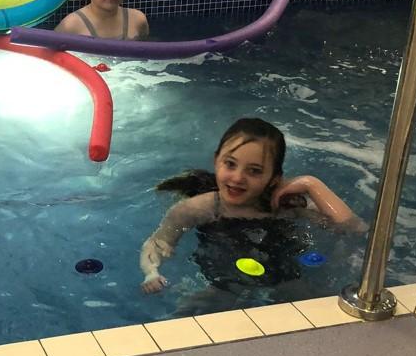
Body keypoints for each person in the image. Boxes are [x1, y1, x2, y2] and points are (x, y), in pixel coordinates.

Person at [140, 117, 363, 294]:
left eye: (254, 171)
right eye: (230, 164)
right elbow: (157, 243)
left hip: (284, 278)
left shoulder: (285, 205)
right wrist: (151, 272)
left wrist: (311, 184)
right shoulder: (197, 209)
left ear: (274, 179)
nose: (238, 178)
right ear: (216, 160)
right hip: (223, 284)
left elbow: (354, 229)